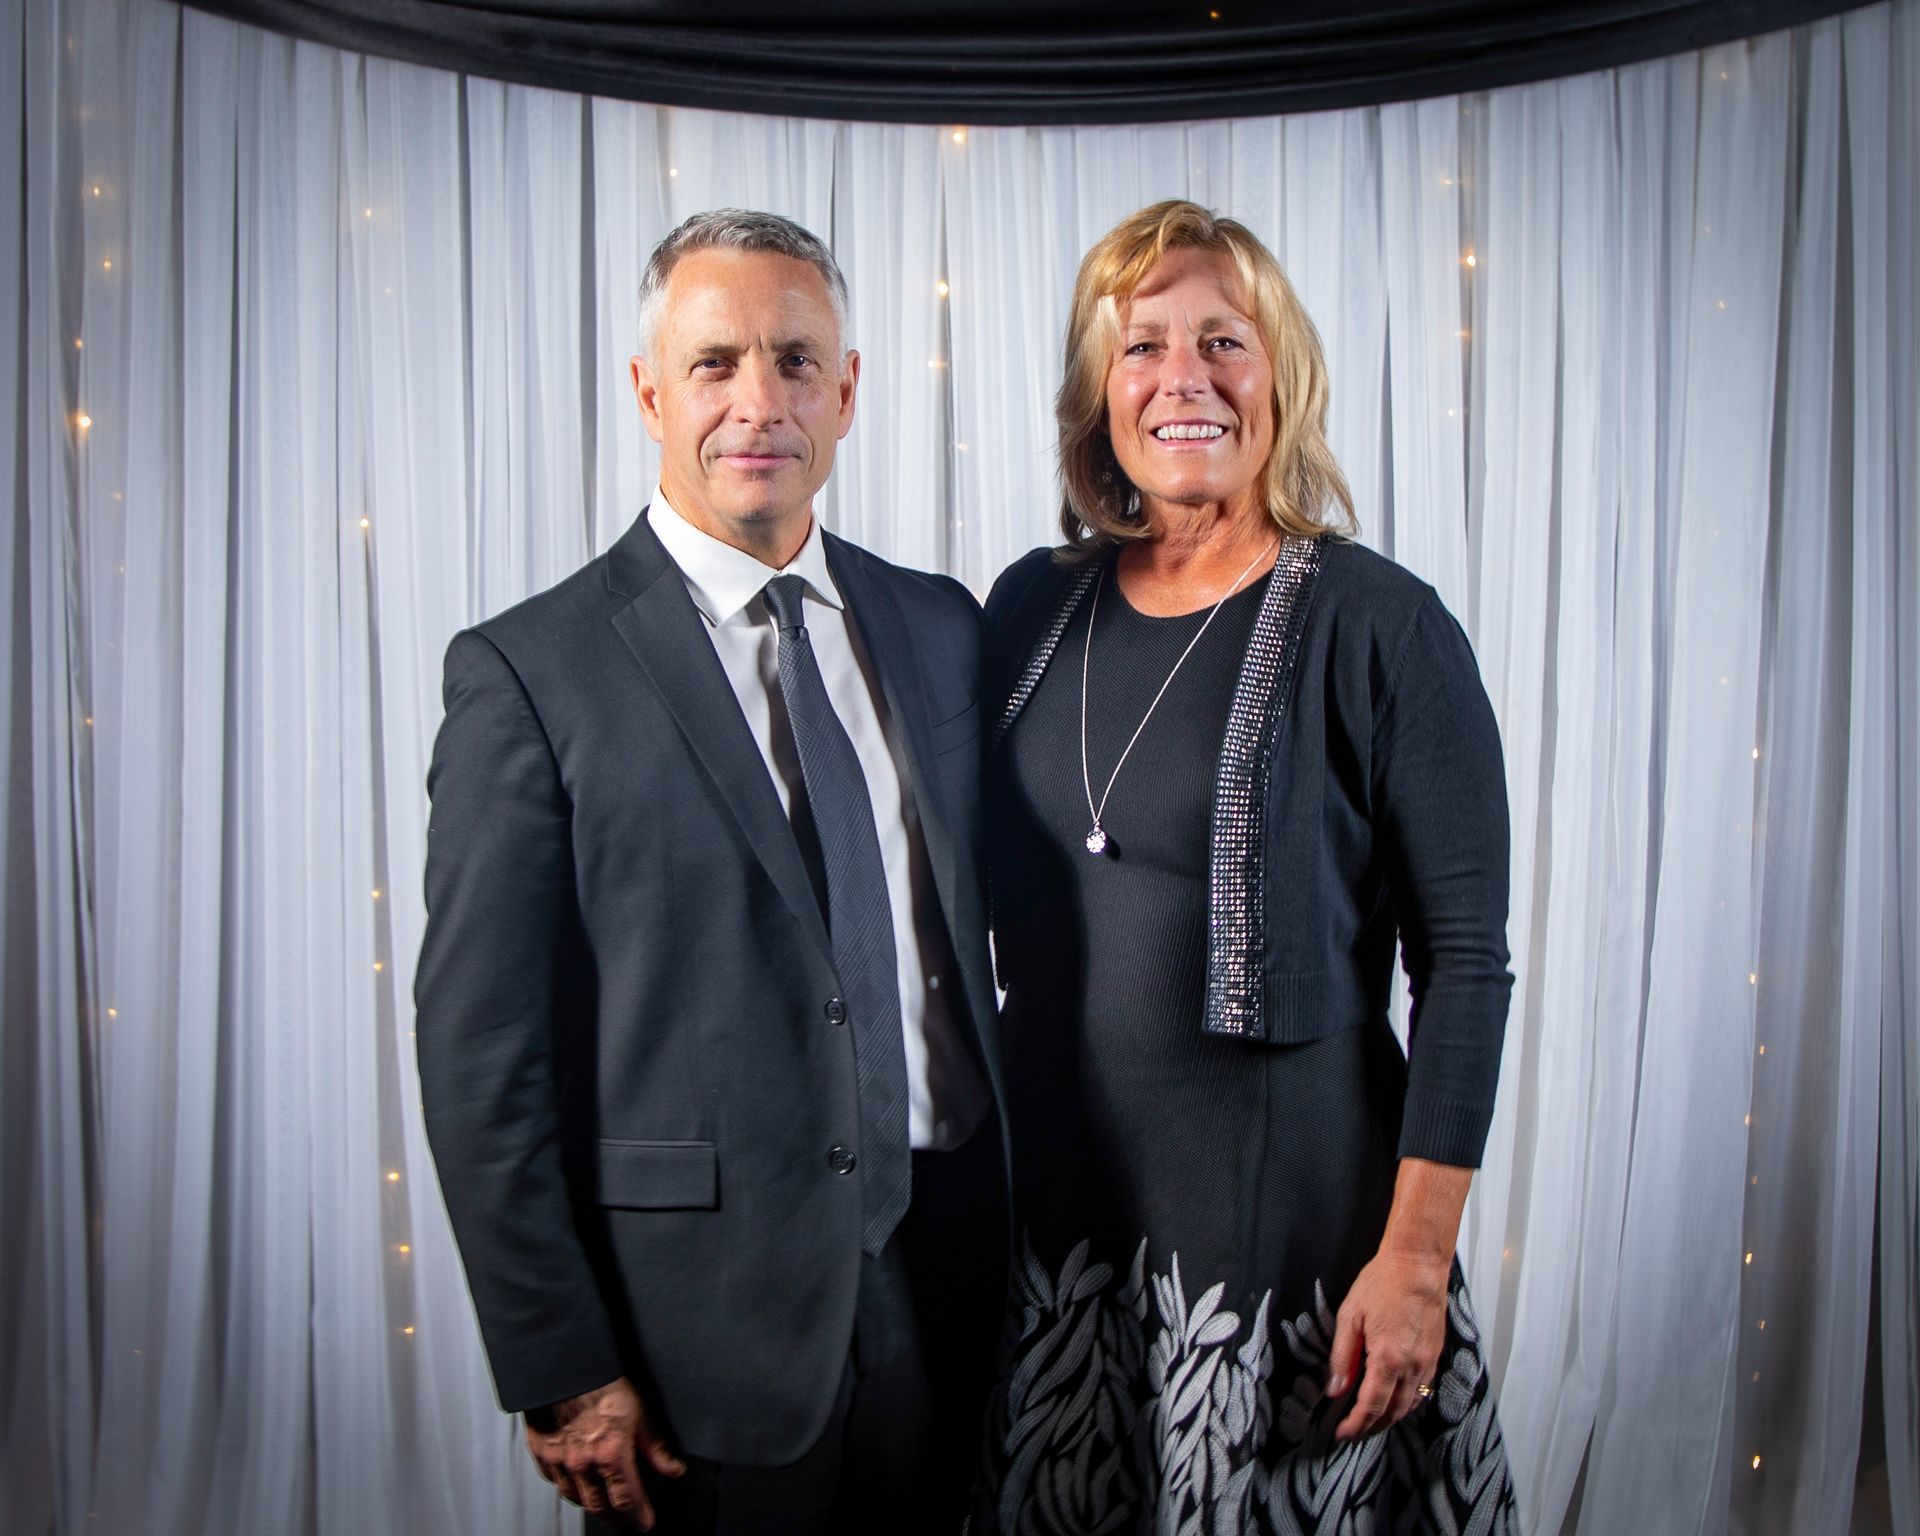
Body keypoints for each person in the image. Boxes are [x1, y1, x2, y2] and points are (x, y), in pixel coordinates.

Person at [416, 208, 1007, 1535]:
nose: (760, 401)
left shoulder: (937, 625)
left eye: (797, 361)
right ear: (646, 391)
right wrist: (561, 1364)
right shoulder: (529, 674)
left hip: (953, 1276)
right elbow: (480, 1051)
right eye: (714, 363)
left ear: (847, 392)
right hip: (696, 1333)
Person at [975, 200, 1518, 1533]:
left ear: (1281, 371)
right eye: (1144, 344)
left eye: (1224, 340)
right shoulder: (1029, 606)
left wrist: (1418, 1263)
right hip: (1063, 1223)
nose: (1183, 378)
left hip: (1293, 1232)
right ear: (1101, 391)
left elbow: (1465, 967)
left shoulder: (1380, 623)